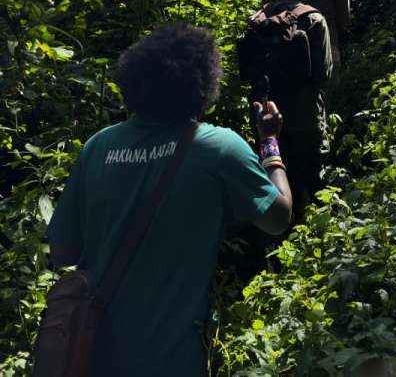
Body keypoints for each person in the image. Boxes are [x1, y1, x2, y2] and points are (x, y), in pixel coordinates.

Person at [45, 24, 293, 376]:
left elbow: (63, 252)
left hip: (89, 352)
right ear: (204, 83)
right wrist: (269, 143)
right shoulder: (219, 148)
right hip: (172, 361)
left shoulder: (97, 146)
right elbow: (277, 218)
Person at [251, 0, 334, 215]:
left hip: (264, 115)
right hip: (304, 112)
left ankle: (274, 237)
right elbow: (324, 74)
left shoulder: (258, 19)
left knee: (271, 173)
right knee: (311, 175)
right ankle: (314, 234)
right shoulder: (313, 19)